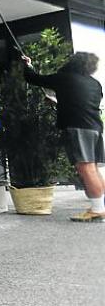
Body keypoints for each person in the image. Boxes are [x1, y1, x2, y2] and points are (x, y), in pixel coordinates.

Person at [22, 51, 105, 222]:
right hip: (95, 127)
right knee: (93, 168)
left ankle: (98, 209)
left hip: (78, 127)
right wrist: (58, 102)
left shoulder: (64, 78)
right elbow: (81, 103)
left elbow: (34, 78)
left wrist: (28, 64)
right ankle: (99, 206)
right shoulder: (95, 84)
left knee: (86, 168)